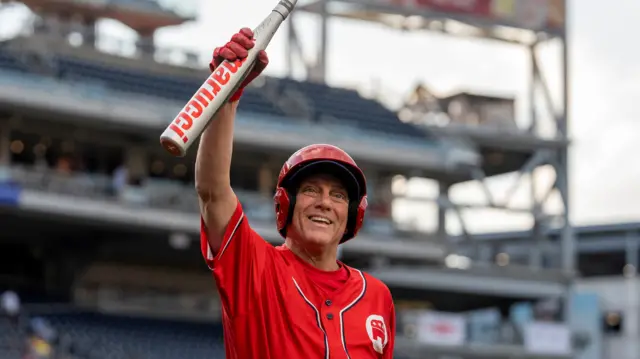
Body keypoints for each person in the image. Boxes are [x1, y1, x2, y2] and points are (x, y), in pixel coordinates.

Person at [196, 28, 396, 358]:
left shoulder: (377, 296)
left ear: (353, 216)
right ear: (285, 205)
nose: (324, 203)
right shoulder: (254, 267)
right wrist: (227, 94)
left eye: (339, 196)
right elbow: (212, 192)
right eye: (310, 190)